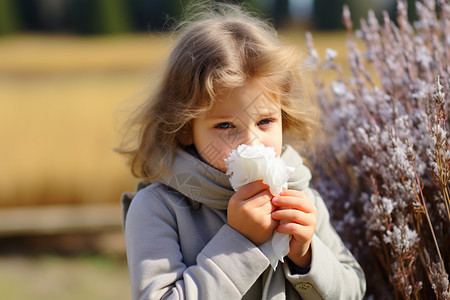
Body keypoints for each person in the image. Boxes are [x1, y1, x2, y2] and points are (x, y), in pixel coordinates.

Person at [119, 2, 366, 299]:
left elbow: (353, 289)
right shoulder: (158, 208)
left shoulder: (301, 195)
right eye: (225, 125)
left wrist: (306, 254)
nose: (252, 142)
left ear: (284, 118)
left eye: (265, 121)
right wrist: (241, 242)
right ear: (185, 128)